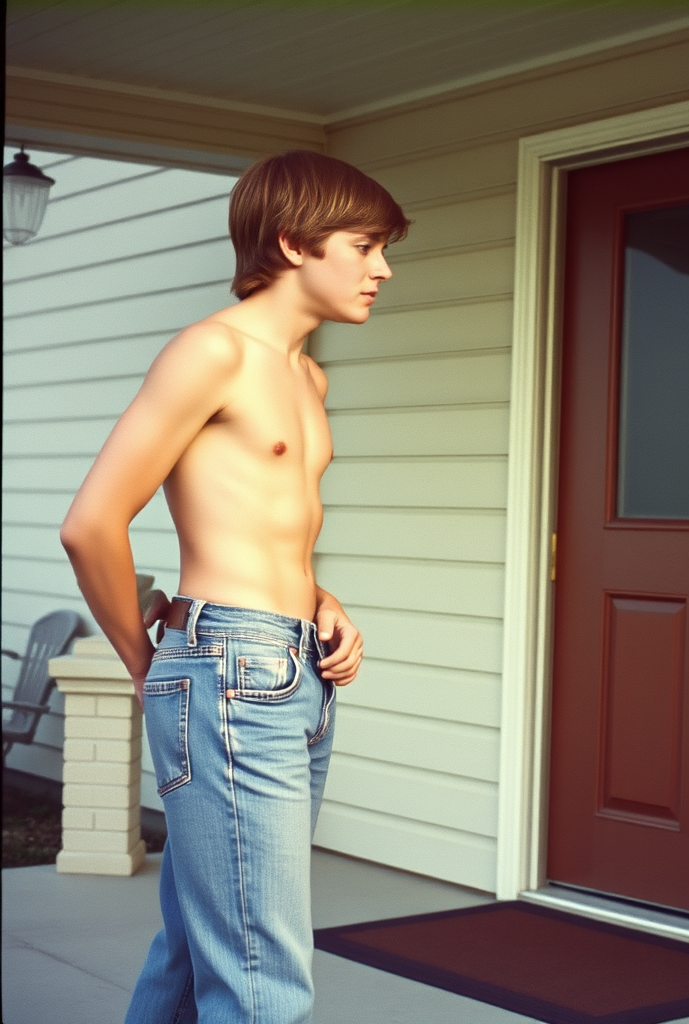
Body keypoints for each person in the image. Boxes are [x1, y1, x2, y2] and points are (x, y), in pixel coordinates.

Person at [60, 150, 410, 1024]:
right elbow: (91, 523)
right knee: (262, 981)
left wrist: (319, 601)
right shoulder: (212, 352)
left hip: (295, 671)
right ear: (293, 243)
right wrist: (148, 664)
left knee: (199, 947)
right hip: (230, 672)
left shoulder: (308, 375)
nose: (382, 269)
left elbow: (272, 524)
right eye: (364, 246)